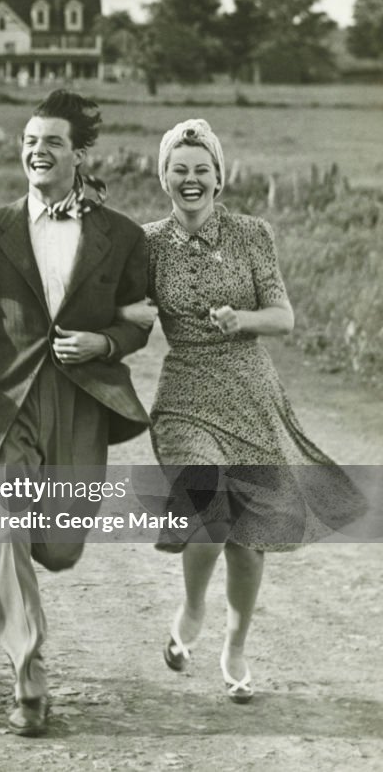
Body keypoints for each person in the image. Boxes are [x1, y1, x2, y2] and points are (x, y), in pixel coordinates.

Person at [0, 90, 151, 737]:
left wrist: (104, 343)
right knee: (5, 526)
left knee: (60, 545)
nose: (36, 150)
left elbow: (138, 322)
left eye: (51, 141)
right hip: (6, 400)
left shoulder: (123, 236)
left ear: (78, 154)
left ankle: (33, 636)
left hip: (82, 400)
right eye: (28, 140)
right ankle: (28, 675)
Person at [118, 118, 367, 704]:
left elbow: (283, 317)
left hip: (251, 394)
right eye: (179, 170)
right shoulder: (147, 242)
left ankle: (234, 647)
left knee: (248, 541)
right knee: (209, 507)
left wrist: (243, 319)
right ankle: (192, 610)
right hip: (184, 397)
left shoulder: (254, 235)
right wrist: (130, 317)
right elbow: (126, 310)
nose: (190, 179)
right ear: (164, 177)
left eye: (201, 170)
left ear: (219, 177)